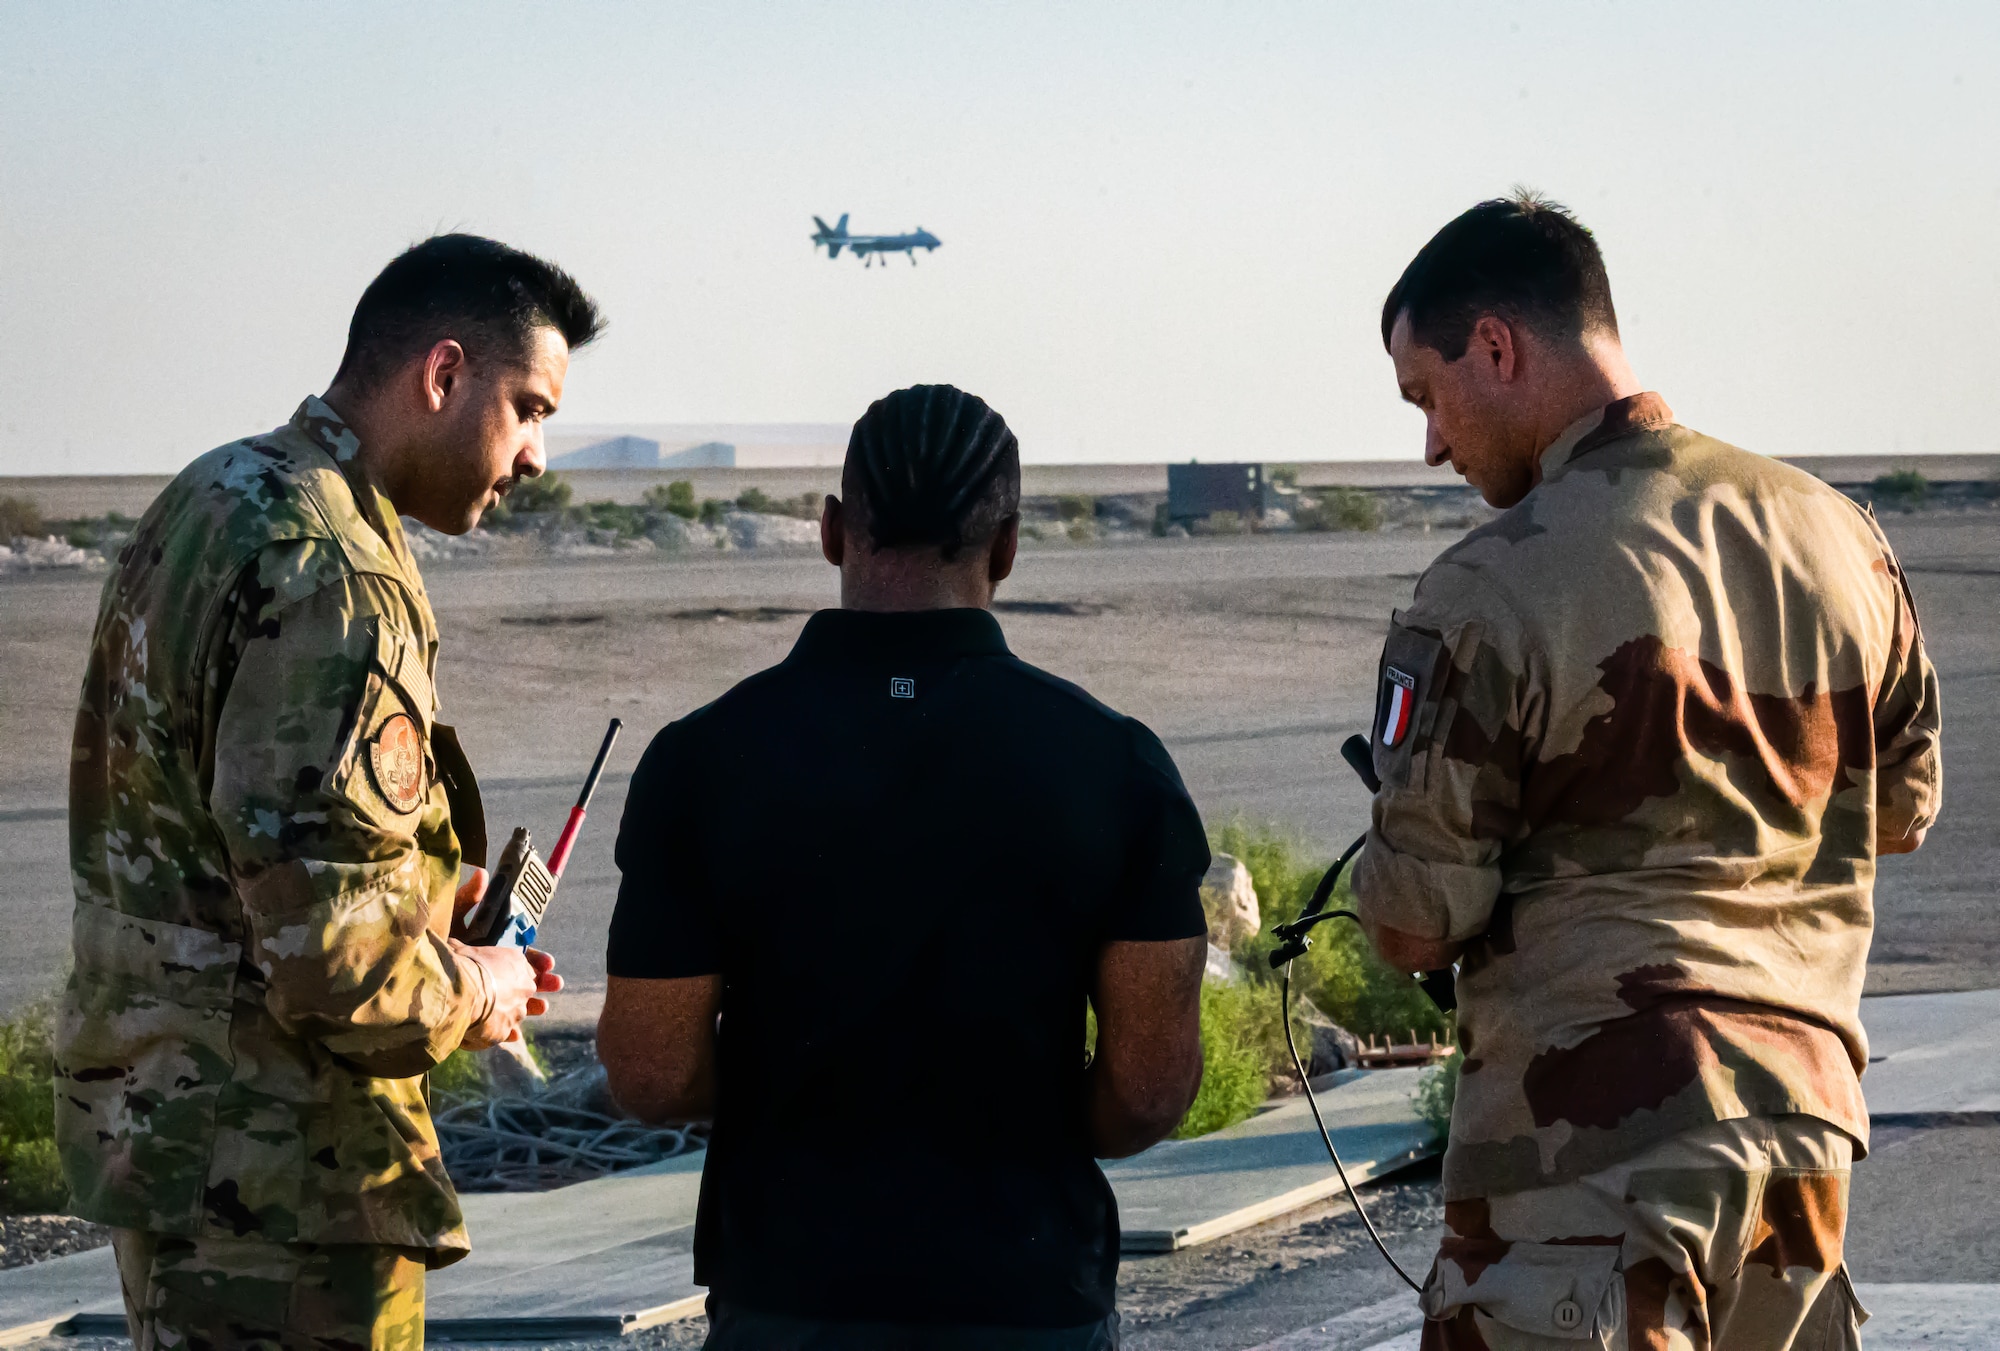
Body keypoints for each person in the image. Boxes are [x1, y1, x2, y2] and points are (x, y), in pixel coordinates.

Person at [1353, 193, 1942, 1350]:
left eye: (1426, 395)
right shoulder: (1837, 537)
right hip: (1800, 1150)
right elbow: (1902, 808)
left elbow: (1417, 921)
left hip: (1587, 1158)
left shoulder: (1490, 584)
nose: (1429, 443)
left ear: (1495, 346)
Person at [57, 234, 598, 1349]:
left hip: (170, 1140)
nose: (536, 454)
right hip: (283, 1188)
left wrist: (426, 893)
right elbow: (333, 967)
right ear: (443, 375)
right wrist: (479, 981)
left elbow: (201, 841)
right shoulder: (339, 579)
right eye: (529, 407)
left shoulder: (214, 495)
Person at [599, 384, 1210, 1351]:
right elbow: (1150, 1086)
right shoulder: (1114, 762)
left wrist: (798, 1092)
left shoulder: (702, 757)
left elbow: (647, 1068)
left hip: (787, 1294)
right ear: (1006, 547)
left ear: (834, 529)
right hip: (1026, 1291)